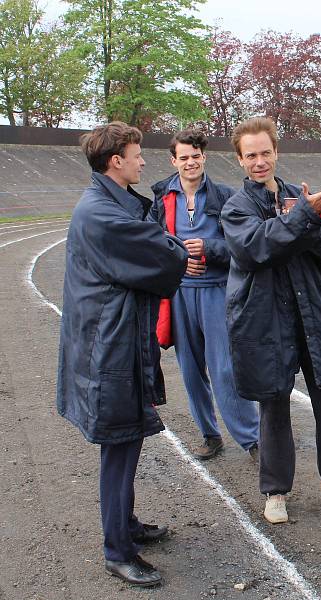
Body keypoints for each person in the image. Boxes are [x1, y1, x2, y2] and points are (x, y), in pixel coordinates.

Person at [57, 122, 188, 587]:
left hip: (117, 341)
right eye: (136, 154)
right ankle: (117, 550)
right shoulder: (101, 214)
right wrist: (177, 246)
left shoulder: (112, 204)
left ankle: (127, 526)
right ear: (116, 161)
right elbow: (166, 258)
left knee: (127, 439)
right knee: (120, 444)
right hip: (107, 351)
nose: (142, 161)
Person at [220, 116, 321, 524]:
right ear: (239, 160)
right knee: (274, 407)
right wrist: (303, 216)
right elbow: (255, 249)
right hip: (265, 321)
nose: (259, 161)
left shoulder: (305, 198)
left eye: (265, 152)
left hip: (315, 313)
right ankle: (276, 490)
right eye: (251, 155)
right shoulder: (236, 208)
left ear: (276, 153)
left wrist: (317, 220)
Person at [151, 129, 260, 461]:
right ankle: (210, 435)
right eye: (183, 157)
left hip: (217, 292)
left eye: (195, 156)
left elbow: (244, 245)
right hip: (180, 294)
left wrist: (211, 249)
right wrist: (178, 264)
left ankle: (251, 439)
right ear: (174, 161)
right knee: (190, 369)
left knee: (225, 368)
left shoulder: (226, 196)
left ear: (204, 157)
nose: (190, 162)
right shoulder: (162, 197)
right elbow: (153, 245)